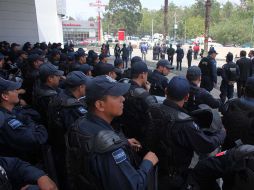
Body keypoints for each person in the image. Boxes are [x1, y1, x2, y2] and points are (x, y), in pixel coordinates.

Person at [66, 75, 158, 190]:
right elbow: (134, 186)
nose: (123, 99)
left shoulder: (80, 122)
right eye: (116, 96)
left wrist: (123, 142)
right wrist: (147, 163)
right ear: (100, 105)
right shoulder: (109, 149)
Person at [145, 76, 226, 190]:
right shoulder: (185, 123)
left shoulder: (152, 108)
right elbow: (206, 145)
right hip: (174, 178)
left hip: (151, 168)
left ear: (166, 91)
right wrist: (221, 133)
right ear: (187, 97)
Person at [48, 71, 90, 190]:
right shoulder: (74, 108)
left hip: (57, 147)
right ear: (81, 87)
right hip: (68, 154)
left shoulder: (58, 96)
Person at [0, 78, 48, 162]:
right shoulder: (7, 121)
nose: (17, 92)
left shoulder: (10, 110)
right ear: (5, 96)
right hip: (20, 163)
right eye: (14, 90)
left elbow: (32, 115)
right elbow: (37, 138)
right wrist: (38, 126)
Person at [119, 61, 157, 147]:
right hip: (139, 139)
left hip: (125, 134)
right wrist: (147, 92)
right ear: (143, 75)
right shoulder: (144, 96)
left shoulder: (122, 88)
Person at [222, 76, 254, 150]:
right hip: (246, 153)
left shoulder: (231, 102)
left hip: (227, 147)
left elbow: (224, 122)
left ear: (244, 89)